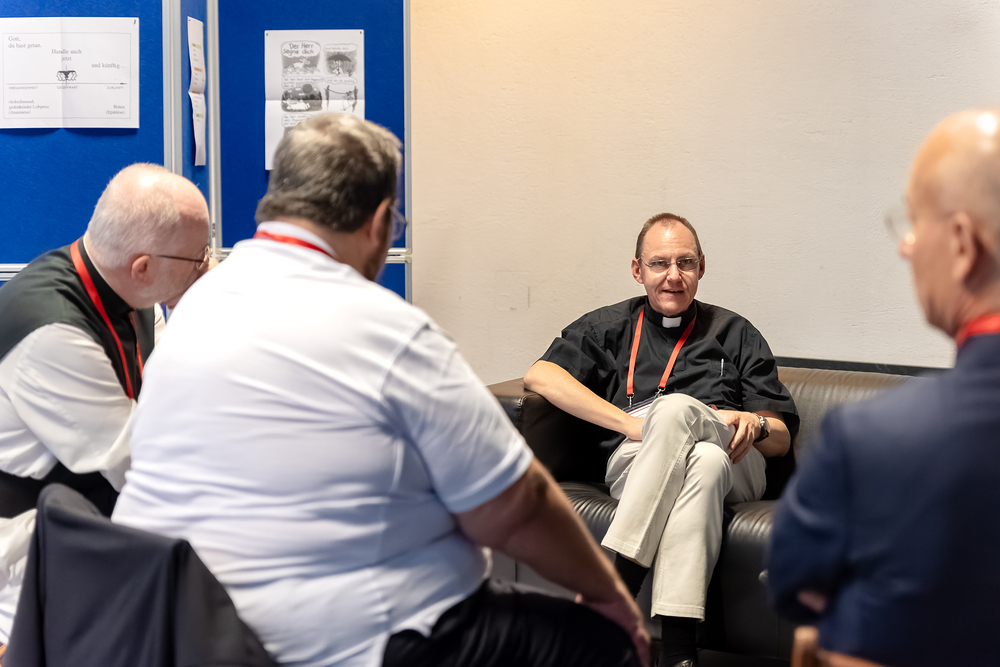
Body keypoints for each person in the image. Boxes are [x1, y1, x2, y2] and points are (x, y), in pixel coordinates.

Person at [111, 113, 649, 667]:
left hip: (176, 631)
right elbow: (516, 506)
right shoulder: (385, 329)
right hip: (342, 644)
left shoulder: (196, 305)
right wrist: (611, 595)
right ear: (377, 222)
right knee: (608, 645)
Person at [768, 109, 1000, 666]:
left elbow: (793, 584)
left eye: (915, 222)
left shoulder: (870, 438)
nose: (905, 246)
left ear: (963, 244)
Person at [524, 213, 798, 667]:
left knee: (678, 415)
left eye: (685, 262)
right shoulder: (608, 326)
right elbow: (540, 376)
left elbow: (782, 439)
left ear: (701, 267)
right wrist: (632, 425)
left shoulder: (736, 332)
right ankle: (678, 654)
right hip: (641, 457)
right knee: (703, 460)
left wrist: (756, 422)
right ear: (638, 270)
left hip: (737, 458)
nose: (673, 275)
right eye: (659, 263)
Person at [0, 163, 211, 640]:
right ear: (143, 266)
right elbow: (136, 463)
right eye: (197, 257)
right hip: (26, 550)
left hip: (87, 517)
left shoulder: (122, 286)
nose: (207, 267)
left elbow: (169, 389)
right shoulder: (52, 332)